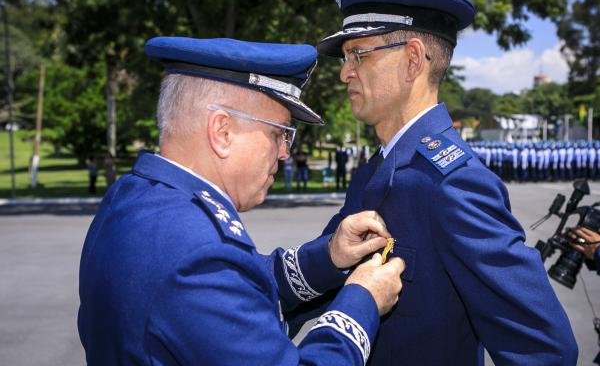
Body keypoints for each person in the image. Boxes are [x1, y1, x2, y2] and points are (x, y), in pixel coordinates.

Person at [77, 37, 405, 365]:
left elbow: (238, 291)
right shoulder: (198, 256)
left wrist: (329, 257)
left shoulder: (134, 196)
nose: (284, 153)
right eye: (279, 133)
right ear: (222, 132)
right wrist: (362, 303)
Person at [310, 0, 577, 365]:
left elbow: (544, 348)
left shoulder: (454, 183)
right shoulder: (378, 168)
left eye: (358, 55)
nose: (344, 71)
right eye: (346, 57)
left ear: (413, 59)